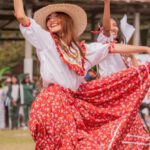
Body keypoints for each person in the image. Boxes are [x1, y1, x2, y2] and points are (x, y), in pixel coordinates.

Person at [13, 0, 150, 149]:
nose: (51, 20)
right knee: (68, 144)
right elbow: (21, 16)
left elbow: (111, 47)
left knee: (82, 144)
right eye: (48, 18)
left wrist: (145, 48)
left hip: (71, 105)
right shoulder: (46, 40)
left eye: (55, 16)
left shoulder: (82, 50)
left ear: (67, 20)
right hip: (52, 103)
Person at [95, 0, 139, 77]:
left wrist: (131, 56)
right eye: (109, 25)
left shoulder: (122, 47)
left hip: (122, 85)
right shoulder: (103, 42)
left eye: (115, 25)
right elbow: (106, 29)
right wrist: (107, 3)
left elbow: (137, 71)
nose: (113, 28)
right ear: (101, 29)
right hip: (109, 84)